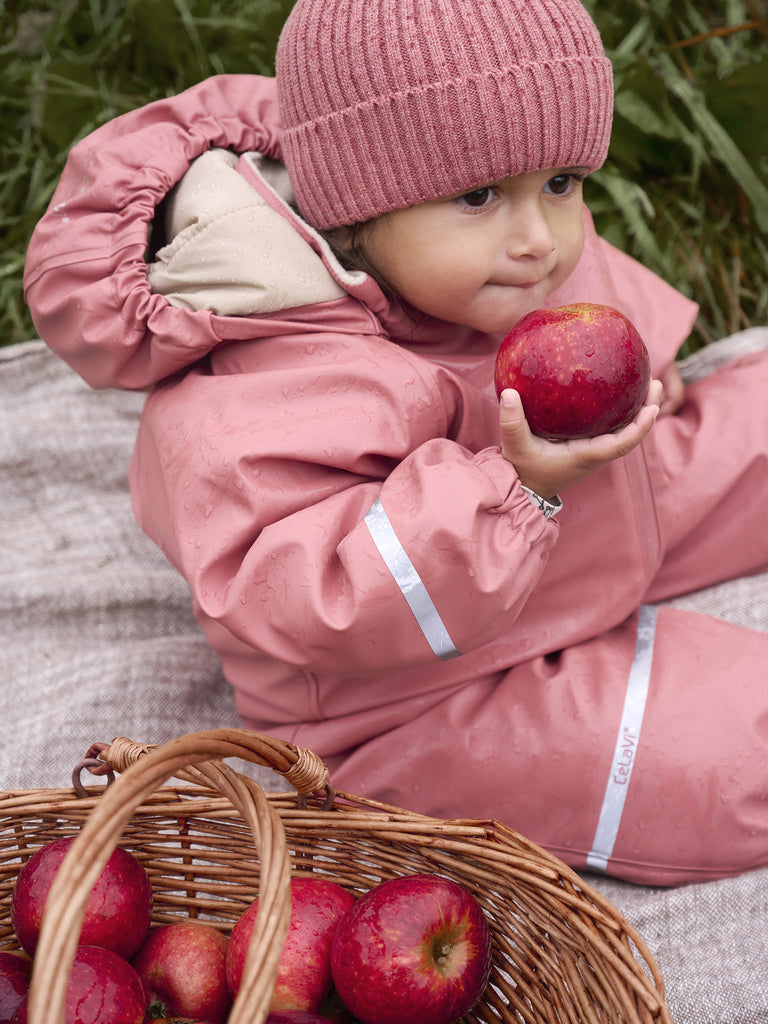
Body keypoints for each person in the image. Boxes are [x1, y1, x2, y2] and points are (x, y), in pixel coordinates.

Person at [23, 0, 768, 886]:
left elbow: (583, 285)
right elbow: (320, 593)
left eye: (564, 182)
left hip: (588, 516)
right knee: (719, 760)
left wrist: (641, 357)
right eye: (480, 196)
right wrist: (516, 490)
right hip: (407, 689)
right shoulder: (268, 388)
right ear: (354, 212)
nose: (538, 239)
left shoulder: (488, 254)